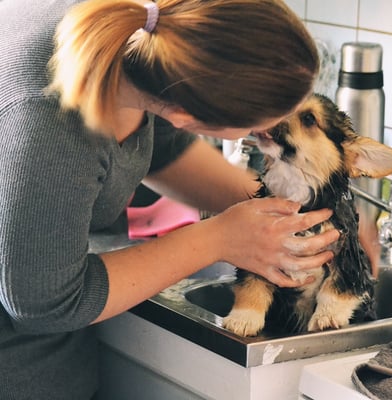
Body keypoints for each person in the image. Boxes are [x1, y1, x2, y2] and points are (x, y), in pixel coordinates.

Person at [0, 0, 342, 398]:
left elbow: (163, 149)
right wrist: (220, 238)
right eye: (256, 129)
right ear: (183, 112)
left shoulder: (146, 38)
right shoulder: (49, 117)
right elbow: (43, 301)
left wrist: (300, 212)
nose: (265, 134)